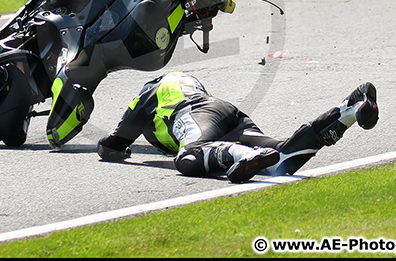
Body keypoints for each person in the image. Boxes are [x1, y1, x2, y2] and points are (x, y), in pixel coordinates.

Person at [97, 72, 379, 183]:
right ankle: (348, 110)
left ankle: (241, 155)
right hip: (228, 115)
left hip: (196, 115)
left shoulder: (151, 92)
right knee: (280, 160)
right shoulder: (189, 84)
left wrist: (120, 148)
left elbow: (111, 145)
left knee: (187, 157)